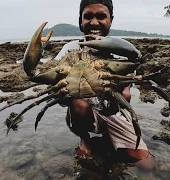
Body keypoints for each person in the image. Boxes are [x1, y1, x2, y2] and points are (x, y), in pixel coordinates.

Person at [54, 0, 156, 171]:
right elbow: (55, 90)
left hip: (115, 112)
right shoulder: (70, 49)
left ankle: (110, 135)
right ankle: (85, 139)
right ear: (80, 20)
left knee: (147, 166)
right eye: (88, 17)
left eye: (101, 16)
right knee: (78, 104)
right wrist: (64, 94)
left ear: (111, 20)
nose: (94, 22)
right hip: (85, 111)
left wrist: (124, 92)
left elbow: (127, 92)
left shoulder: (122, 52)